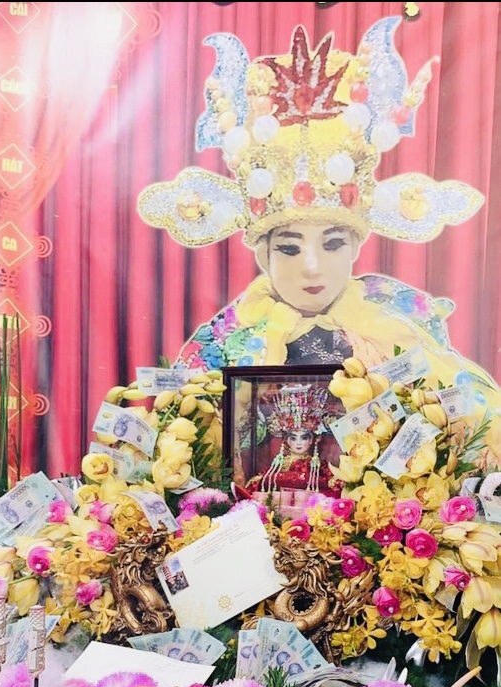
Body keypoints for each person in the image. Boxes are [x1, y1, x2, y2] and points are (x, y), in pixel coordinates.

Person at [137, 18, 501, 468]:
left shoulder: (397, 317)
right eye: (289, 248)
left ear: (354, 248)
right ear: (264, 254)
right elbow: (181, 450)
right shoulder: (228, 337)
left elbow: (464, 432)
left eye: (331, 245)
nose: (312, 266)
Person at [246, 383, 341, 503]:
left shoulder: (318, 468)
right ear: (287, 440)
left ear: (312, 440)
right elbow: (256, 485)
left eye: (304, 438)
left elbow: (335, 485)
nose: (298, 443)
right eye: (294, 438)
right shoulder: (277, 467)